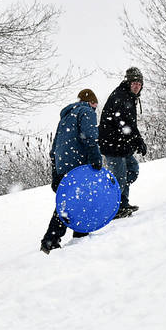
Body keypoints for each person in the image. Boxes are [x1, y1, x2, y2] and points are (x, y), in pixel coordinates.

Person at [40, 89, 103, 254]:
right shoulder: (87, 112)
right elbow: (90, 136)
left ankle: (68, 236)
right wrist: (96, 158)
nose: (95, 108)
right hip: (78, 166)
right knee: (78, 200)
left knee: (70, 201)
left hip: (63, 166)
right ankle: (53, 239)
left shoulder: (66, 117)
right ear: (92, 102)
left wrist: (56, 171)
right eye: (95, 105)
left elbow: (54, 149)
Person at [98, 67, 147, 219]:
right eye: (134, 82)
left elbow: (130, 125)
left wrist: (139, 141)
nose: (136, 86)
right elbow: (124, 124)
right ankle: (115, 207)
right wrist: (137, 141)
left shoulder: (129, 97)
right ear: (128, 82)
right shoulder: (121, 97)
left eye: (139, 83)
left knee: (132, 169)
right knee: (120, 177)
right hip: (113, 145)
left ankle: (122, 202)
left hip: (122, 145)